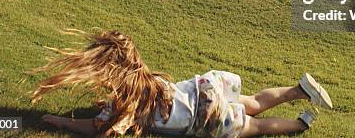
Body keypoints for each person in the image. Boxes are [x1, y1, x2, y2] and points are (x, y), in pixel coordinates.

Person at [32, 30, 333, 137]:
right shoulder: (149, 79)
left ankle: (301, 125)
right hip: (204, 88)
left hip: (203, 118)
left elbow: (97, 128)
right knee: (253, 102)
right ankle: (298, 91)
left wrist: (59, 121)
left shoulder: (124, 103)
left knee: (255, 126)